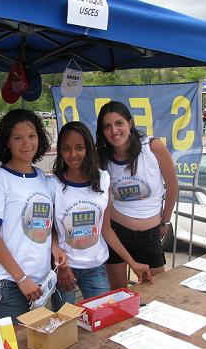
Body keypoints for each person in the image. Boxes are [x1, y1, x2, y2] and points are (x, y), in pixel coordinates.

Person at [50, 121, 153, 310]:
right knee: (63, 326)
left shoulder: (103, 179)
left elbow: (106, 230)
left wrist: (133, 263)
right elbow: (51, 231)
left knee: (103, 319)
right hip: (65, 270)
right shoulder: (53, 184)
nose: (73, 155)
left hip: (96, 269)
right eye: (66, 149)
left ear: (88, 148)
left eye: (79, 148)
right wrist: (60, 265)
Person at [0, 109, 66, 322]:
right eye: (18, 138)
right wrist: (21, 278)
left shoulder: (41, 177)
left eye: (32, 136)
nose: (27, 143)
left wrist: (55, 246)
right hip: (9, 283)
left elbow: (46, 225)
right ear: (7, 142)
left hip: (40, 282)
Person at [96, 101, 178, 290]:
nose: (114, 131)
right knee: (118, 293)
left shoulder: (153, 147)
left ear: (130, 123)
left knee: (157, 292)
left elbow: (172, 186)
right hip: (116, 233)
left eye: (119, 123)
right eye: (107, 127)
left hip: (150, 234)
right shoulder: (102, 157)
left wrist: (165, 221)